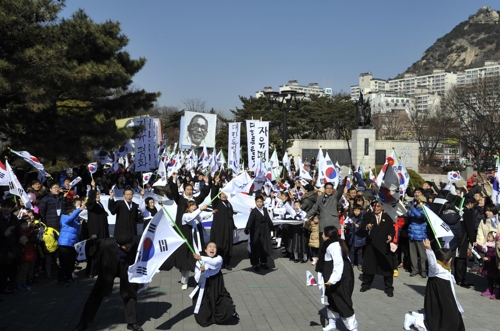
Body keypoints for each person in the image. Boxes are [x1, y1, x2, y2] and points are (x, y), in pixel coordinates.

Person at [74, 235, 143, 331]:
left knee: (130, 293)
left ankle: (132, 322)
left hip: (126, 268)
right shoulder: (106, 244)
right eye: (126, 247)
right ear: (119, 245)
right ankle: (84, 322)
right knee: (96, 294)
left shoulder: (134, 243)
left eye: (130, 246)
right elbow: (97, 257)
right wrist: (98, 271)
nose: (129, 248)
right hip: (108, 267)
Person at [403, 238, 464, 331]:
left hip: (446, 296)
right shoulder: (436, 269)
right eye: (450, 258)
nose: (452, 259)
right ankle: (414, 320)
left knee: (448, 316)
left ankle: (419, 317)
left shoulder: (445, 267)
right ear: (445, 260)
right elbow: (432, 262)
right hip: (438, 296)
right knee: (443, 320)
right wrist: (429, 249)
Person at [316, 226, 358, 331]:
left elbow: (338, 263)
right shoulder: (331, 244)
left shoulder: (333, 246)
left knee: (342, 301)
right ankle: (332, 323)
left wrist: (333, 279)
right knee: (332, 299)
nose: (322, 235)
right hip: (335, 275)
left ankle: (353, 328)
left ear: (327, 236)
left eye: (323, 234)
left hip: (340, 278)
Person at [190, 242, 239, 327]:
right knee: (203, 320)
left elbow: (214, 263)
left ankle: (232, 312)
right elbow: (198, 279)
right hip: (204, 287)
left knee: (224, 304)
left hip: (216, 285)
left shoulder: (219, 258)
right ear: (205, 250)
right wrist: (202, 272)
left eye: (214, 247)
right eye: (210, 247)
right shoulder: (199, 262)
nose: (212, 248)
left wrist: (201, 258)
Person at [360, 201, 395, 297]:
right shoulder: (368, 216)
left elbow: (391, 229)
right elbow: (362, 227)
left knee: (387, 267)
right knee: (369, 266)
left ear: (382, 207)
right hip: (371, 246)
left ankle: (388, 288)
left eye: (378, 206)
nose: (376, 208)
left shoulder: (387, 217)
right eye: (374, 206)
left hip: (383, 246)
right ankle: (366, 284)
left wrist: (390, 236)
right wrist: (367, 227)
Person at [180, 201, 213, 290]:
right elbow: (191, 216)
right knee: (186, 263)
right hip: (189, 243)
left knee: (198, 262)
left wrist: (211, 212)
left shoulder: (196, 215)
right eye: (191, 205)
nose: (194, 206)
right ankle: (184, 281)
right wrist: (200, 209)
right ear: (187, 208)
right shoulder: (185, 216)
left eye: (195, 205)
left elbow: (202, 216)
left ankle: (198, 280)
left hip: (198, 242)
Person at [210, 176, 236, 270]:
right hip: (219, 229)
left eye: (225, 194)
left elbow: (231, 216)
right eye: (222, 194)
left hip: (228, 229)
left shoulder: (229, 203)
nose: (224, 195)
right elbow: (213, 195)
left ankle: (227, 263)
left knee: (228, 246)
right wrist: (216, 184)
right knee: (219, 245)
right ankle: (218, 263)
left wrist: (233, 226)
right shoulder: (216, 203)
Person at [58, 199, 85, 286]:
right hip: (64, 244)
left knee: (71, 263)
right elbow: (70, 218)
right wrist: (79, 209)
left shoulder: (76, 221)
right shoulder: (64, 217)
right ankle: (61, 280)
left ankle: (69, 278)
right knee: (64, 263)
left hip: (72, 244)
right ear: (70, 212)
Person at [244, 195, 274, 272]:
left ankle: (263, 263)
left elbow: (268, 220)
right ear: (255, 202)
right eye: (258, 202)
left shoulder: (264, 210)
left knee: (264, 247)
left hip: (265, 232)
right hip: (256, 233)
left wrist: (272, 228)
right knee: (256, 248)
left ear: (263, 202)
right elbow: (250, 221)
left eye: (261, 201)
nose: (259, 203)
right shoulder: (254, 211)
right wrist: (247, 229)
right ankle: (255, 264)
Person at [407, 196, 428, 278]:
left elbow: (420, 216)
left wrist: (412, 208)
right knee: (413, 254)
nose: (417, 204)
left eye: (419, 202)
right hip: (412, 234)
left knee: (422, 255)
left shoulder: (426, 210)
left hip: (420, 235)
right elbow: (408, 216)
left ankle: (423, 270)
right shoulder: (413, 209)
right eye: (416, 202)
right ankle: (414, 269)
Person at [475, 231, 500, 299]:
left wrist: (488, 258)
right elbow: (483, 250)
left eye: (489, 237)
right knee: (489, 279)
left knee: (496, 280)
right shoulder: (487, 245)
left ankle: (496, 292)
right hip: (488, 266)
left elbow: (495, 256)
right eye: (487, 236)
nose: (488, 238)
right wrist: (477, 246)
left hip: (494, 266)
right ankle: (489, 290)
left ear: (494, 238)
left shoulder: (495, 246)